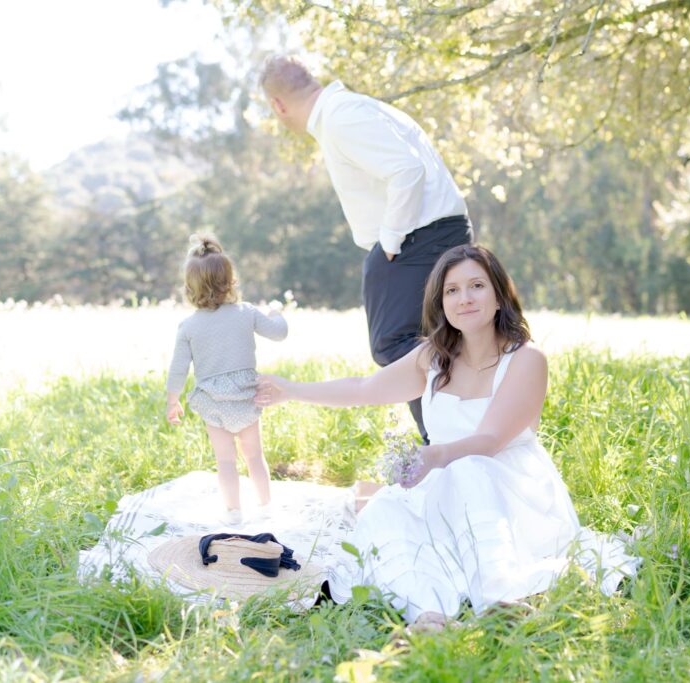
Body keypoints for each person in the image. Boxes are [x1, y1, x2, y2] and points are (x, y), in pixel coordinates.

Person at [256, 245, 639, 627]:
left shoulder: (526, 360)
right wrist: (289, 389)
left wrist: (433, 457)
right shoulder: (433, 357)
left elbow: (489, 441)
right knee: (386, 509)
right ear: (440, 302)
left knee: (470, 469)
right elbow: (364, 389)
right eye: (452, 290)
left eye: (476, 285)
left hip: (506, 489)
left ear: (499, 295)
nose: (464, 298)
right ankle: (427, 613)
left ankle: (499, 597)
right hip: (440, 484)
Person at [259, 54, 473, 443]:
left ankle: (458, 430)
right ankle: (446, 444)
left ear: (278, 105)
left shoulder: (342, 116)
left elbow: (407, 171)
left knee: (396, 344)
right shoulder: (354, 109)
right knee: (423, 344)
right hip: (433, 235)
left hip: (416, 239)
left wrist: (389, 242)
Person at [167, 234, 288, 525]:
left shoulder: (188, 327)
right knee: (254, 456)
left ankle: (233, 512)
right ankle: (266, 505)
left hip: (213, 403)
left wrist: (173, 400)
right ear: (231, 281)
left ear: (189, 287)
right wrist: (278, 313)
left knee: (225, 461)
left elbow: (178, 369)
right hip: (245, 398)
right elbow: (278, 332)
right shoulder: (246, 313)